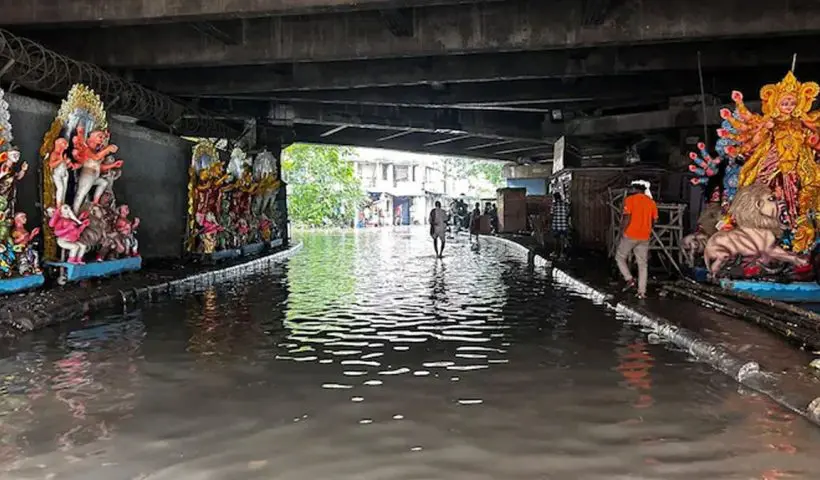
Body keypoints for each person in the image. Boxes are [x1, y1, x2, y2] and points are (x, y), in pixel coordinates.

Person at [615, 180, 658, 299]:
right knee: (642, 264)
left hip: (631, 234)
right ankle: (642, 292)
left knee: (619, 257)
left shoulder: (630, 200)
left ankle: (629, 279)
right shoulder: (651, 202)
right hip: (645, 236)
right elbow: (654, 220)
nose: (630, 191)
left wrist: (621, 232)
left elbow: (626, 218)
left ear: (635, 190)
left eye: (631, 189)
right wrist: (647, 229)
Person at [551, 192, 570, 259]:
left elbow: (552, 213)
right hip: (564, 225)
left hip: (556, 225)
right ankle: (562, 253)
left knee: (556, 239)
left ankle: (555, 253)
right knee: (563, 239)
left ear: (555, 198)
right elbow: (568, 213)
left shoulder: (554, 205)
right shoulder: (565, 204)